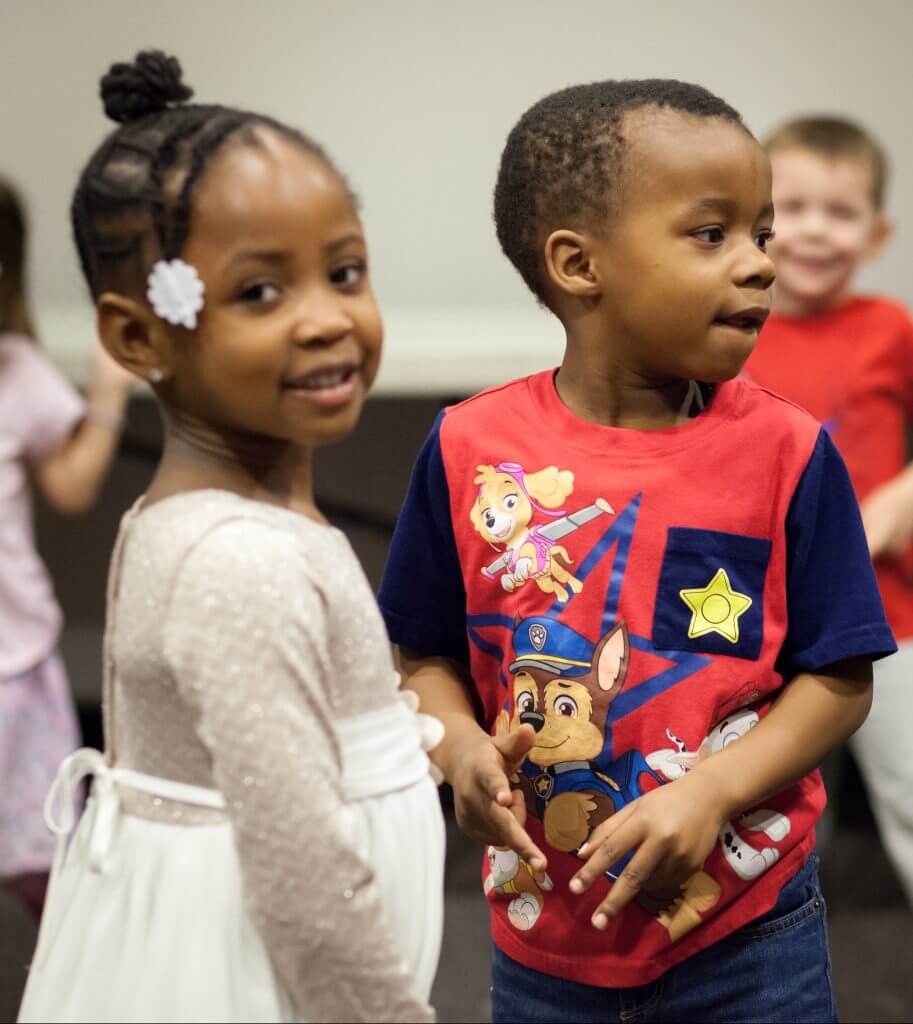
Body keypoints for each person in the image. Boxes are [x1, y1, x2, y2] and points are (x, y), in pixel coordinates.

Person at [379, 80, 896, 1023]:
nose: (758, 265)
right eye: (712, 235)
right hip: (541, 943)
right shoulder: (467, 449)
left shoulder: (789, 451)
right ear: (579, 265)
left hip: (751, 935)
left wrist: (712, 793)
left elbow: (838, 678)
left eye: (761, 233)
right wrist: (455, 751)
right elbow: (422, 657)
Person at [18, 51, 443, 1024]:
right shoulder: (241, 562)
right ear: (138, 340)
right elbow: (301, 871)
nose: (326, 320)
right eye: (260, 293)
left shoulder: (238, 524)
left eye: (344, 271)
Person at [744, 116, 913, 906]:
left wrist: (894, 502)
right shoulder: (727, 328)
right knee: (770, 817)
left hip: (889, 611)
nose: (814, 229)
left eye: (839, 212)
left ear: (875, 233)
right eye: (793, 206)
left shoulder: (889, 329)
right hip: (755, 618)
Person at [0, 177, 132, 922]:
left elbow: (72, 486)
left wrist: (106, 393)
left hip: (12, 670)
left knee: (49, 870)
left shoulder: (15, 370)